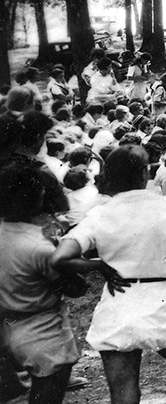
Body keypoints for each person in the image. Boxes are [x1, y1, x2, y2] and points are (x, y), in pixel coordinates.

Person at [51, 145, 166, 404]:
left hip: (117, 307)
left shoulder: (99, 213)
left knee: (123, 392)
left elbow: (60, 256)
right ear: (144, 173)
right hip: (162, 304)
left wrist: (98, 265)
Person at [0, 166, 81, 404]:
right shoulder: (40, 246)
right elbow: (74, 288)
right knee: (48, 393)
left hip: (10, 324)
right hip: (44, 329)